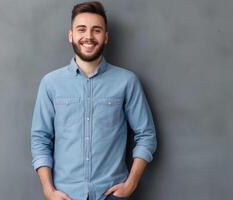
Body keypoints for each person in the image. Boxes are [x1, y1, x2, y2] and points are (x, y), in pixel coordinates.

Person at [30, 1, 157, 200]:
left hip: (112, 194)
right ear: (70, 35)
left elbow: (146, 134)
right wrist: (48, 189)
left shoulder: (127, 81)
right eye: (81, 29)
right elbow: (40, 138)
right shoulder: (50, 83)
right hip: (65, 195)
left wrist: (131, 184)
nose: (88, 37)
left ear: (105, 37)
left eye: (96, 30)